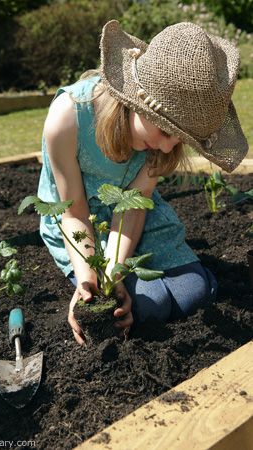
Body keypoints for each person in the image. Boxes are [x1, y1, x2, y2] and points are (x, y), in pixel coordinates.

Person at [37, 20, 248, 345]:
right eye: (164, 131)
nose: (167, 148)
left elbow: (134, 205)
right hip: (82, 224)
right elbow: (73, 213)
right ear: (136, 100)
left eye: (180, 140)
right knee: (144, 306)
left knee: (193, 292)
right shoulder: (68, 120)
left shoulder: (162, 146)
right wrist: (90, 282)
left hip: (134, 217)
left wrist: (118, 270)